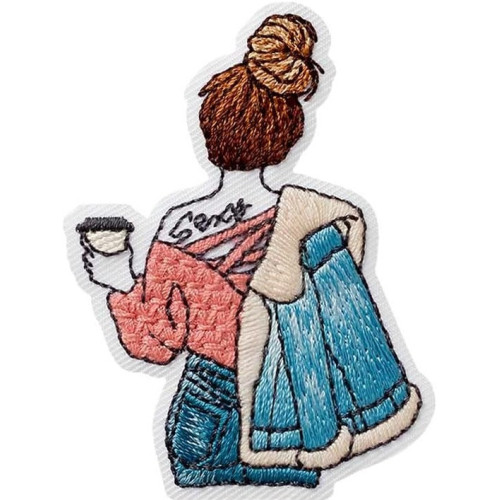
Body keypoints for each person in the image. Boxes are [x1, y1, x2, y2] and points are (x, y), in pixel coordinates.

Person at [76, 13, 421, 488]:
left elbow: (153, 345)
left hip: (207, 412)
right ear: (288, 134)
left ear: (209, 130)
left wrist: (117, 278)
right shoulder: (313, 221)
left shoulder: (177, 227)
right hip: (298, 419)